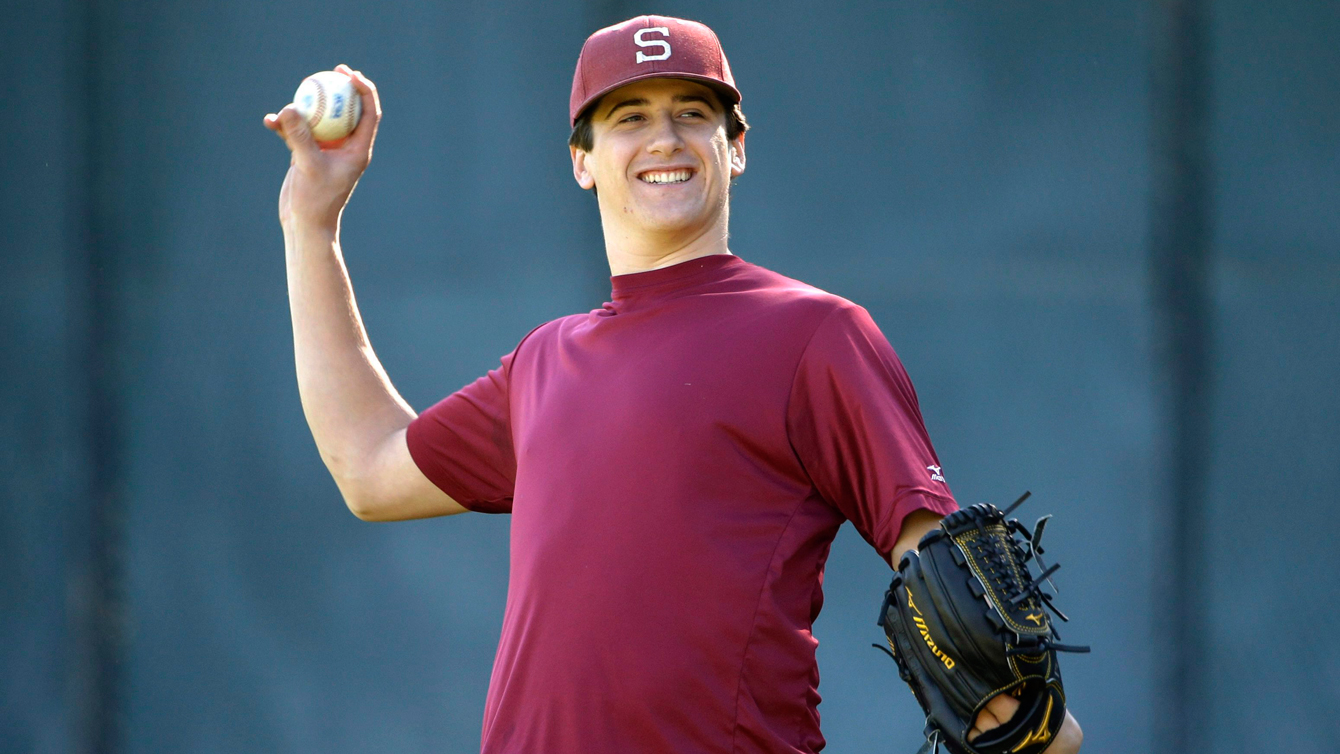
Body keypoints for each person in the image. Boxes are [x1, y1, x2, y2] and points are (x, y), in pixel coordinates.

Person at [264, 15, 1082, 754]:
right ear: (582, 161)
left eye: (692, 112)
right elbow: (368, 468)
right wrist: (310, 221)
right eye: (630, 117)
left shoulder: (814, 335)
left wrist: (1035, 727)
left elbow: (947, 585)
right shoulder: (544, 362)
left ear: (736, 145)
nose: (665, 138)